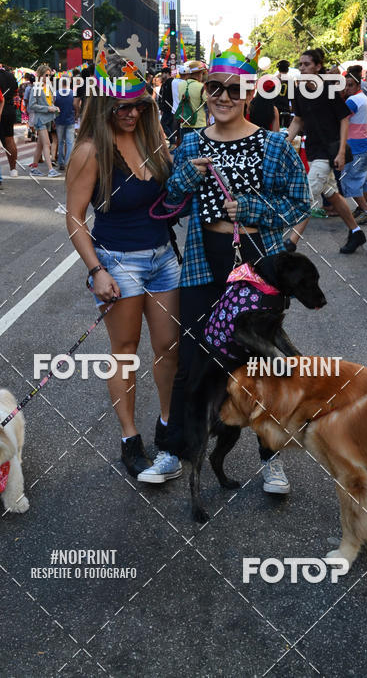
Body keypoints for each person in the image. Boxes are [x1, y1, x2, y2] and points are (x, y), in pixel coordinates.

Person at [144, 33, 310, 490]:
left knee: (261, 363)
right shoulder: (192, 142)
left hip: (257, 265)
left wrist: (253, 209)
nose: (222, 97)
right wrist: (185, 174)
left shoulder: (274, 145)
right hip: (204, 261)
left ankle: (271, 457)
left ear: (249, 93)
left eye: (233, 89)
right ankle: (173, 450)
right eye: (214, 87)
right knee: (192, 357)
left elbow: (300, 202)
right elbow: (171, 200)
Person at [65, 54, 180, 478]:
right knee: (125, 352)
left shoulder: (152, 138)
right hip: (118, 262)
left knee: (169, 347)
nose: (131, 114)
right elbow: (74, 217)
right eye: (122, 108)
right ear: (104, 106)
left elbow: (173, 190)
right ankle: (130, 439)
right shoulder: (90, 151)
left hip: (164, 257)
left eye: (139, 106)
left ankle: (168, 429)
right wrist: (96, 270)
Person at [286, 49, 367, 254]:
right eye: (300, 64)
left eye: (306, 64)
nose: (302, 68)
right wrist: (285, 142)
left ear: (318, 66)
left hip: (328, 150)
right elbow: (298, 120)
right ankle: (356, 232)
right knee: (331, 193)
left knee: (308, 194)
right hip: (313, 149)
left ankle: (290, 242)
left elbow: (344, 119)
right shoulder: (299, 90)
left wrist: (341, 152)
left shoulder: (328, 89)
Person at [341, 72, 367, 224]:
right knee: (364, 180)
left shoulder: (352, 101)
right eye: (345, 85)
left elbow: (340, 119)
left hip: (358, 147)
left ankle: (366, 210)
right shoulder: (364, 98)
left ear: (358, 85)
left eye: (350, 85)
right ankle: (362, 209)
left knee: (349, 180)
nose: (347, 88)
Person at [28, 64, 59, 178]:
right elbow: (32, 105)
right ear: (40, 75)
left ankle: (34, 168)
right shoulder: (36, 88)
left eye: (49, 75)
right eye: (46, 75)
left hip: (48, 119)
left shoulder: (48, 87)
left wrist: (54, 108)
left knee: (40, 145)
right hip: (40, 120)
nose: (48, 77)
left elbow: (50, 102)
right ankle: (50, 169)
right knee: (47, 144)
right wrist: (48, 108)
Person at [175, 60, 207, 137]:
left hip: (184, 123)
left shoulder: (180, 85)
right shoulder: (201, 86)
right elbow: (208, 101)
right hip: (198, 124)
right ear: (199, 73)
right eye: (202, 73)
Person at [55, 75, 75, 170]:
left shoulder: (56, 94)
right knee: (70, 142)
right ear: (69, 82)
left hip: (59, 120)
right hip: (70, 119)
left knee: (60, 142)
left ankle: (61, 162)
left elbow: (54, 106)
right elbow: (76, 105)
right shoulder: (73, 93)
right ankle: (68, 162)